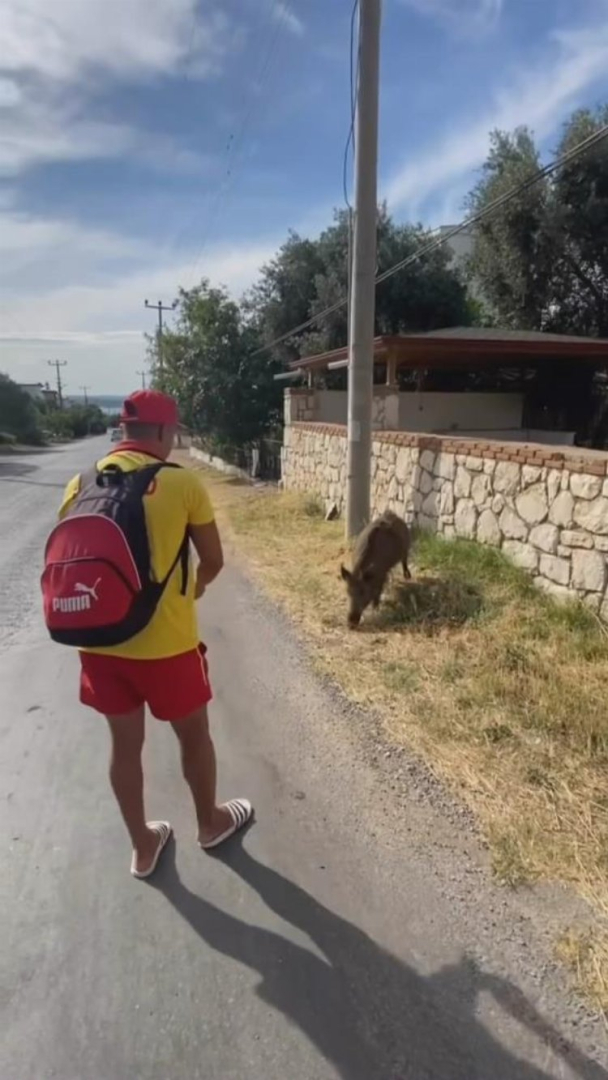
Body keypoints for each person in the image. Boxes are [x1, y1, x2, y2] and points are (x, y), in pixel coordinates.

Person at [58, 389, 252, 878]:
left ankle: (143, 847)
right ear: (166, 431)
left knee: (124, 748)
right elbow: (213, 561)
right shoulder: (181, 482)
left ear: (124, 430)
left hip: (99, 643)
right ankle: (210, 823)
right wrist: (194, 590)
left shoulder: (79, 482)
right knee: (194, 737)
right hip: (166, 647)